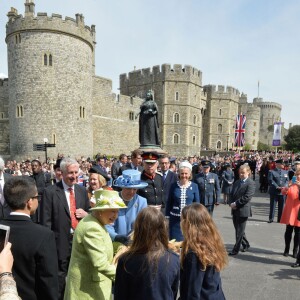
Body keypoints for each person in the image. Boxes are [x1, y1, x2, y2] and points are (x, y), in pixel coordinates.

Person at [40, 158, 90, 300]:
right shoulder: (50, 192)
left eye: (76, 172)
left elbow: (89, 216)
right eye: (70, 173)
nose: (74, 176)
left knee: (79, 276)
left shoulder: (81, 191)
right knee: (60, 278)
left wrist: (87, 214)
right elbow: (46, 222)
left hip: (79, 243)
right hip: (59, 243)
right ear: (61, 173)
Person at [1, 176, 58, 300]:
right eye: (37, 197)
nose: (38, 200)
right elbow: (48, 281)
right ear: (29, 202)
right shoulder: (44, 235)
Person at [64, 189, 127, 300]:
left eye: (117, 211)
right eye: (112, 211)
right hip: (86, 291)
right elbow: (101, 264)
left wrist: (118, 247)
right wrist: (127, 277)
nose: (116, 215)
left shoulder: (96, 221)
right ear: (100, 210)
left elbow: (102, 245)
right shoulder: (92, 228)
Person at [114, 207, 180, 300]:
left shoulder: (125, 260)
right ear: (163, 228)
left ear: (138, 229)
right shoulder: (174, 259)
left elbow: (120, 295)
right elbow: (173, 293)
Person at [180, 203, 227, 300]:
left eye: (182, 220)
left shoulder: (194, 254)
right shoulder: (211, 241)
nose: (180, 223)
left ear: (188, 224)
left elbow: (192, 292)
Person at [107, 169, 147, 246]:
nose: (131, 192)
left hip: (134, 244)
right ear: (122, 187)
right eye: (128, 188)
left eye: (134, 189)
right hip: (114, 242)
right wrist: (116, 237)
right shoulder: (112, 200)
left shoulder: (142, 202)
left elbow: (143, 225)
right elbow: (107, 224)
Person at [165, 161, 200, 241]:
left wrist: (197, 220)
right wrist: (167, 219)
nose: (184, 176)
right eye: (182, 173)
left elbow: (197, 204)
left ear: (190, 174)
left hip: (190, 221)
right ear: (179, 174)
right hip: (175, 222)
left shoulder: (194, 186)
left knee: (188, 243)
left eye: (186, 174)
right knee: (175, 244)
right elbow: (169, 203)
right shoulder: (173, 186)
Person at [228, 164, 256, 255]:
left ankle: (235, 249)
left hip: (243, 210)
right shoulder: (237, 182)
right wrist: (231, 203)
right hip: (235, 209)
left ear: (248, 172)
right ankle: (246, 244)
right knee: (238, 229)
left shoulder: (251, 183)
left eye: (243, 173)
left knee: (239, 231)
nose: (241, 175)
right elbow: (231, 194)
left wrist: (236, 204)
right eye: (240, 173)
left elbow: (247, 197)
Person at [280, 169, 300, 258]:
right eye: (297, 175)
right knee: (288, 231)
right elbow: (283, 192)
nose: (299, 177)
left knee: (298, 233)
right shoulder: (291, 184)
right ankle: (286, 249)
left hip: (298, 212)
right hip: (290, 211)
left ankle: (295, 250)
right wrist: (288, 186)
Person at [268, 159, 289, 223]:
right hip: (274, 191)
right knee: (273, 206)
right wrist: (277, 186)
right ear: (277, 164)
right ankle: (271, 218)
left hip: (282, 192)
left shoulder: (285, 172)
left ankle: (280, 219)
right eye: (282, 164)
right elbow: (270, 180)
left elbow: (287, 180)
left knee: (282, 206)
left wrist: (285, 186)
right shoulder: (271, 171)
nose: (283, 165)